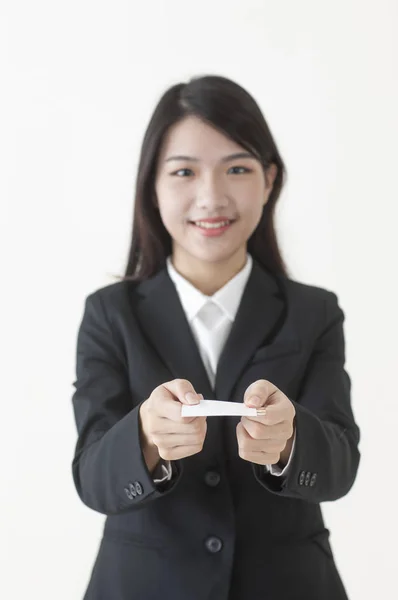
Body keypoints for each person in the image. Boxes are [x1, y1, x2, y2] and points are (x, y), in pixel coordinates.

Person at [71, 74, 361, 600]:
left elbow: (340, 467)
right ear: (152, 187)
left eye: (238, 169)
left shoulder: (314, 312)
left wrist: (290, 442)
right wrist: (145, 439)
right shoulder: (109, 314)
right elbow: (92, 477)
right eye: (184, 171)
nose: (212, 196)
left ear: (270, 180)